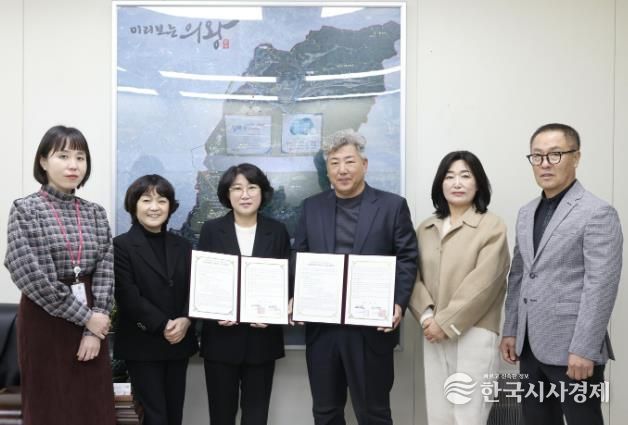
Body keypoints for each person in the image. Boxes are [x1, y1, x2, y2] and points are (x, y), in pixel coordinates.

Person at [292, 129, 418, 425]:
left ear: (365, 164)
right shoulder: (312, 207)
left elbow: (407, 258)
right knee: (325, 412)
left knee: (373, 413)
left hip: (369, 330)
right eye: (334, 163)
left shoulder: (392, 206)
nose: (342, 170)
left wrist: (398, 303)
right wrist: (297, 296)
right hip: (323, 329)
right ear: (327, 170)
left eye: (349, 161)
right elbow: (299, 255)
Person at [500, 123, 623, 425]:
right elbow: (519, 275)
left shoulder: (597, 212)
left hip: (573, 349)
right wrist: (511, 329)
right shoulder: (526, 212)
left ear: (576, 157)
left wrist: (584, 349)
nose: (545, 163)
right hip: (529, 345)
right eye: (537, 156)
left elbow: (601, 286)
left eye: (555, 155)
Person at [4, 125, 116, 425]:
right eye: (63, 156)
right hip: (45, 320)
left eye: (80, 157)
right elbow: (30, 274)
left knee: (93, 406)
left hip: (92, 319)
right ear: (43, 161)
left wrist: (93, 328)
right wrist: (86, 318)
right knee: (49, 405)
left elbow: (105, 270)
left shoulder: (95, 213)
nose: (73, 165)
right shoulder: (26, 209)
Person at [408, 151, 510, 425]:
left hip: (474, 332)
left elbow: (485, 283)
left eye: (465, 176)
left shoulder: (491, 226)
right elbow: (412, 277)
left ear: (478, 183)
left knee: (469, 415)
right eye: (449, 176)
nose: (457, 183)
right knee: (438, 414)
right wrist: (427, 318)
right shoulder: (426, 228)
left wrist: (445, 322)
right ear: (440, 183)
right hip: (432, 331)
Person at [197, 163, 291, 425]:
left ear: (263, 192)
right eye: (237, 188)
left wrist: (275, 312)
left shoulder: (277, 230)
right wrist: (214, 312)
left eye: (252, 187)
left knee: (256, 417)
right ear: (227, 194)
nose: (245, 194)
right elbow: (203, 281)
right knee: (221, 416)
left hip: (262, 340)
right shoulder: (211, 230)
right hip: (220, 339)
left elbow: (287, 281)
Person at [113, 174, 198, 425]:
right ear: (133, 205)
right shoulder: (120, 246)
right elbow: (127, 295)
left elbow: (195, 289)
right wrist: (163, 325)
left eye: (161, 201)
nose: (154, 207)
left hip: (178, 342)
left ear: (170, 207)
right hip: (143, 343)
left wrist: (186, 319)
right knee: (154, 417)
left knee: (174, 414)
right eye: (146, 200)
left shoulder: (183, 245)